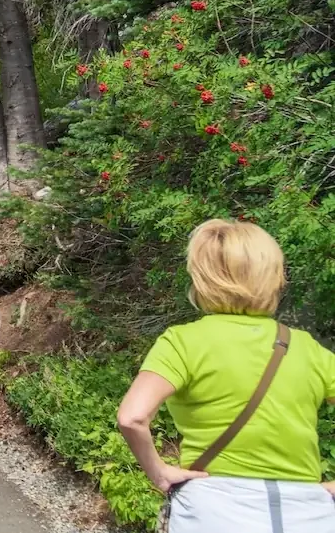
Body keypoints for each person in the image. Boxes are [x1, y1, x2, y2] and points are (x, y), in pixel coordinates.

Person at [116, 219, 335, 531]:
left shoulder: (183, 342)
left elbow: (132, 417)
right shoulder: (307, 348)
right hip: (306, 513)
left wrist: (160, 473)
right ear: (273, 275)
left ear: (202, 277)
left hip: (214, 509)